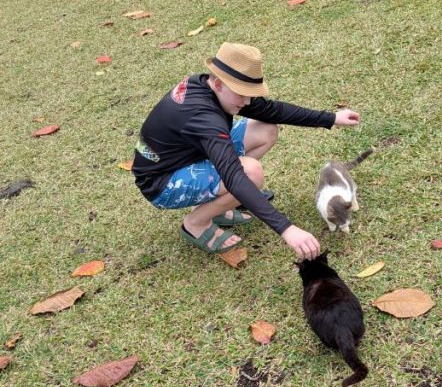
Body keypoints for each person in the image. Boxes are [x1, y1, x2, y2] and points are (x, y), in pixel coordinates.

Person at [132, 42, 360, 259]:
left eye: (250, 93)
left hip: (191, 154)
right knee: (251, 174)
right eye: (242, 94)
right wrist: (287, 229)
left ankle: (219, 204)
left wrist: (331, 118)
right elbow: (234, 175)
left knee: (266, 130)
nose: (248, 101)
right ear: (219, 84)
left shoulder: (209, 85)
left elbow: (271, 111)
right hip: (162, 181)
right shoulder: (204, 117)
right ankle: (196, 223)